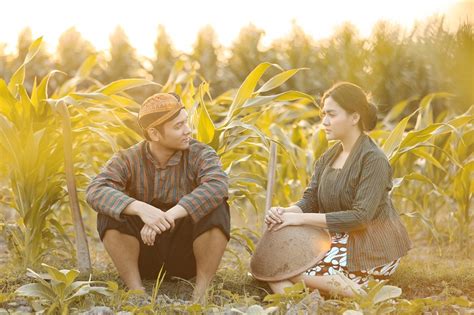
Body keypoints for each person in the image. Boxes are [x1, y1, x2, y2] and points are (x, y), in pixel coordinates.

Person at [264, 82, 412, 297]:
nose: (324, 122)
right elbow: (309, 200)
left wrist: (301, 220)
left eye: (331, 114)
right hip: (338, 239)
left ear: (354, 117)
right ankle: (304, 305)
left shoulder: (373, 160)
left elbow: (360, 218)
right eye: (323, 114)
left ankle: (355, 292)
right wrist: (285, 213)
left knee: (285, 272)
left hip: (371, 247)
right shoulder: (328, 157)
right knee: (269, 267)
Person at [86, 92, 230, 303]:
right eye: (178, 126)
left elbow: (217, 185)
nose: (188, 130)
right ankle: (136, 292)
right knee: (110, 210)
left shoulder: (200, 153)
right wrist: (141, 209)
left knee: (217, 206)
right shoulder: (127, 158)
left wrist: (167, 216)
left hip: (186, 254)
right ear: (154, 134)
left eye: (186, 123)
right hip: (145, 253)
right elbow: (95, 190)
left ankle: (200, 292)